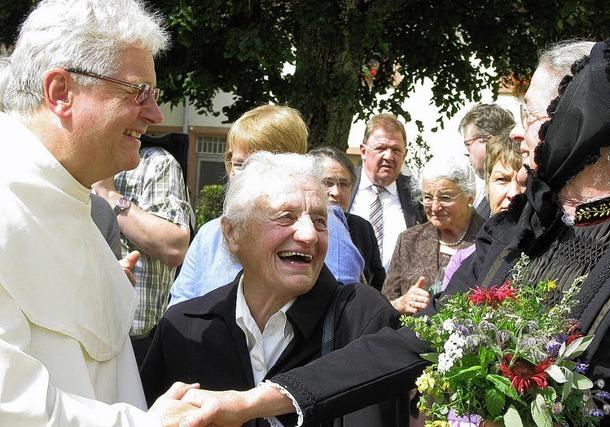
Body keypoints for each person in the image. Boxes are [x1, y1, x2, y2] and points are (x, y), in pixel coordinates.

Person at [175, 38, 610, 427]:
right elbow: (417, 343)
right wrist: (250, 401)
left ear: (585, 123)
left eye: (534, 117)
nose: (518, 136)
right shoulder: (522, 230)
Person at [0, 0, 213, 425]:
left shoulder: (75, 204)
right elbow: (13, 405)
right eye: (138, 92)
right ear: (61, 93)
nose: (153, 115)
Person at [142, 152, 408, 427]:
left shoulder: (361, 319)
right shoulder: (185, 329)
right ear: (233, 233)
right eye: (286, 217)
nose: (309, 235)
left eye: (320, 220)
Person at [168, 105, 364, 307]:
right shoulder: (210, 235)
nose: (247, 176)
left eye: (262, 166)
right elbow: (180, 314)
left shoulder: (324, 232)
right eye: (240, 164)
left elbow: (340, 317)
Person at [94, 145, 193, 366]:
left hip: (136, 343)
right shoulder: (65, 162)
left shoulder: (154, 163)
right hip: (77, 336)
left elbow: (174, 247)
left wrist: (109, 194)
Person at [382, 156, 484, 315]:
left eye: (445, 197)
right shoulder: (409, 240)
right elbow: (384, 306)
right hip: (410, 337)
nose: (435, 207)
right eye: (428, 197)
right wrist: (402, 303)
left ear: (469, 197)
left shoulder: (487, 239)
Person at [441, 129, 523, 289]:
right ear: (487, 186)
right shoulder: (462, 263)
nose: (513, 193)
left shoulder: (553, 257)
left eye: (523, 182)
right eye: (502, 179)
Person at [348, 113, 425, 271]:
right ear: (363, 151)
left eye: (396, 150)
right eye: (381, 148)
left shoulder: (417, 194)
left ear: (405, 154)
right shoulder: (343, 186)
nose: (389, 156)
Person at [309, 146, 386, 290]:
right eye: (327, 182)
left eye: (343, 184)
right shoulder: (298, 227)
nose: (336, 192)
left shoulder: (362, 228)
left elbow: (378, 283)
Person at [459, 104, 515, 219]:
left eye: (468, 144)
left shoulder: (519, 186)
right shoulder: (482, 190)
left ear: (490, 141)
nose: (466, 152)